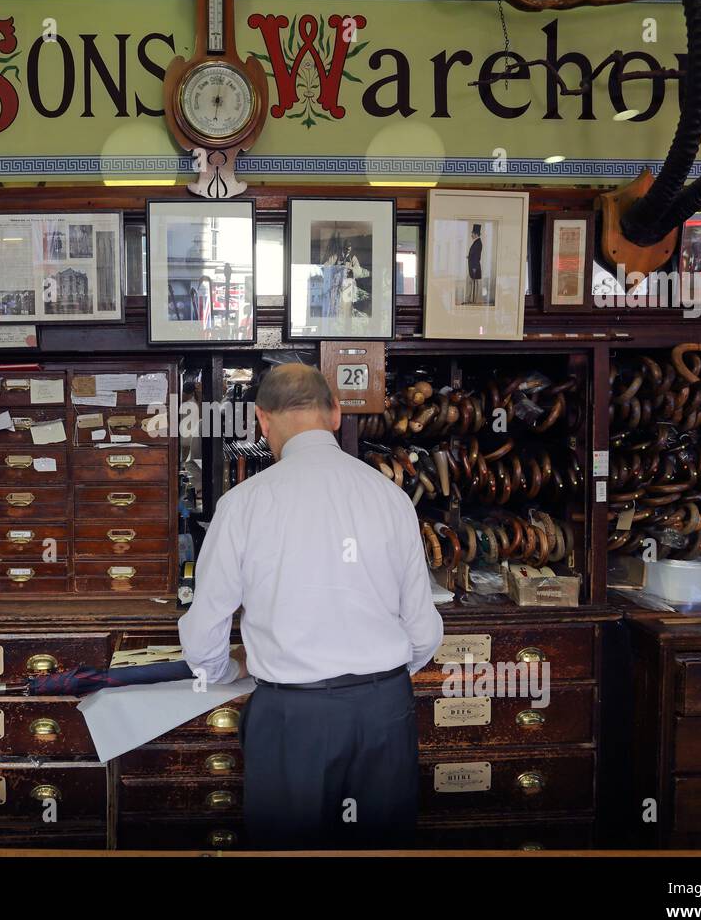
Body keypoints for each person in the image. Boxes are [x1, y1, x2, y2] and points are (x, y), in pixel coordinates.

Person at [178, 363, 443, 850]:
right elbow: (424, 633)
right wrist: (375, 680)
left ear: (262, 420)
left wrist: (224, 671)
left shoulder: (243, 505)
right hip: (383, 713)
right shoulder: (391, 499)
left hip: (290, 718)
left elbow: (202, 637)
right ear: (337, 413)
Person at [465, 224, 483, 304]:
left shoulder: (478, 243)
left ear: (476, 234)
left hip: (474, 267)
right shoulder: (476, 242)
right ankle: (469, 300)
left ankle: (473, 301)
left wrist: (474, 268)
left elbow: (477, 257)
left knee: (474, 284)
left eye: (472, 233)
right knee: (471, 283)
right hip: (473, 267)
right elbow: (474, 255)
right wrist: (469, 257)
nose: (471, 235)